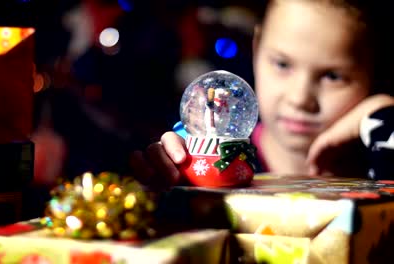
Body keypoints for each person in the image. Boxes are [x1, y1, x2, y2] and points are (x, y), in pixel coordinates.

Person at [130, 0, 394, 187]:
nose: (299, 98)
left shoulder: (382, 160)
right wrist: (178, 177)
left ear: (375, 73)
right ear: (256, 49)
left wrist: (384, 118)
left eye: (333, 76)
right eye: (282, 64)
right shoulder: (217, 163)